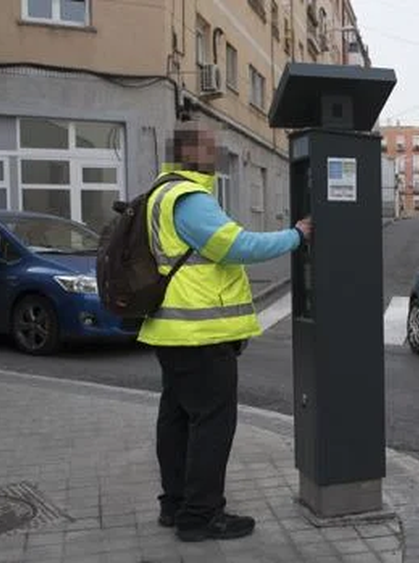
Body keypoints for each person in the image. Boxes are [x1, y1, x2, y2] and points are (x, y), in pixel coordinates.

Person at [138, 124, 312, 542]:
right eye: (208, 149)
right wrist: (296, 235)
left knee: (177, 420)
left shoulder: (159, 193)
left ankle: (175, 505)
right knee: (212, 423)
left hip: (172, 329)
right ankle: (200, 515)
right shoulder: (189, 198)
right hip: (200, 332)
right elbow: (237, 246)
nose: (215, 156)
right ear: (189, 154)